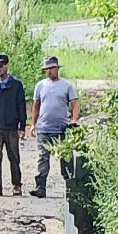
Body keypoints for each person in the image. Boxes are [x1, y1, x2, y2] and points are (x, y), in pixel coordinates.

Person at [29, 56, 80, 199]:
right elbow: (36, 106)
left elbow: (75, 104)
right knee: (42, 158)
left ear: (57, 68)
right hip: (44, 128)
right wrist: (33, 124)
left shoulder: (66, 85)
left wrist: (74, 120)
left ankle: (71, 189)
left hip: (62, 128)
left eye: (52, 68)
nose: (49, 71)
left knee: (66, 159)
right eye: (47, 69)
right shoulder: (40, 85)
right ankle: (40, 188)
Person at [0, 52, 26, 196]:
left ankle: (17, 185)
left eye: (1, 66)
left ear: (7, 66)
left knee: (14, 157)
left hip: (12, 127)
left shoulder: (16, 85)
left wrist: (22, 127)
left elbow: (21, 106)